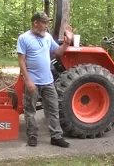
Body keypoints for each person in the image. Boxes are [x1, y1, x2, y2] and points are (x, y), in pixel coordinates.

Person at [16, 11, 73, 148]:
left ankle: (56, 136)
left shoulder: (47, 37)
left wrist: (67, 42)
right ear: (36, 22)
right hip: (33, 82)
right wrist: (28, 80)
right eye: (44, 22)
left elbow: (57, 52)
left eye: (47, 22)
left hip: (48, 81)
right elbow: (22, 61)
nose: (47, 26)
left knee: (53, 109)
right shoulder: (23, 38)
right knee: (30, 111)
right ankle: (32, 136)